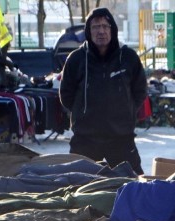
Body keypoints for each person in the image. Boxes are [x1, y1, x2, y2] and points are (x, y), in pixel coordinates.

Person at [59, 7, 148, 174]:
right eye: (95, 27)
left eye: (105, 26)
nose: (101, 31)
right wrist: (83, 113)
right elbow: (66, 95)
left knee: (134, 185)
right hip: (85, 139)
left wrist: (126, 111)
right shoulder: (76, 59)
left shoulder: (128, 57)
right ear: (88, 31)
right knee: (77, 186)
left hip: (121, 137)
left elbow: (140, 90)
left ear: (112, 30)